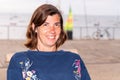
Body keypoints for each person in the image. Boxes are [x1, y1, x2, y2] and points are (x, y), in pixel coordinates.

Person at [7, 4, 91, 80]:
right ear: (35, 28)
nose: (52, 30)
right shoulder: (20, 61)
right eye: (46, 24)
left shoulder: (74, 60)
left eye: (56, 25)